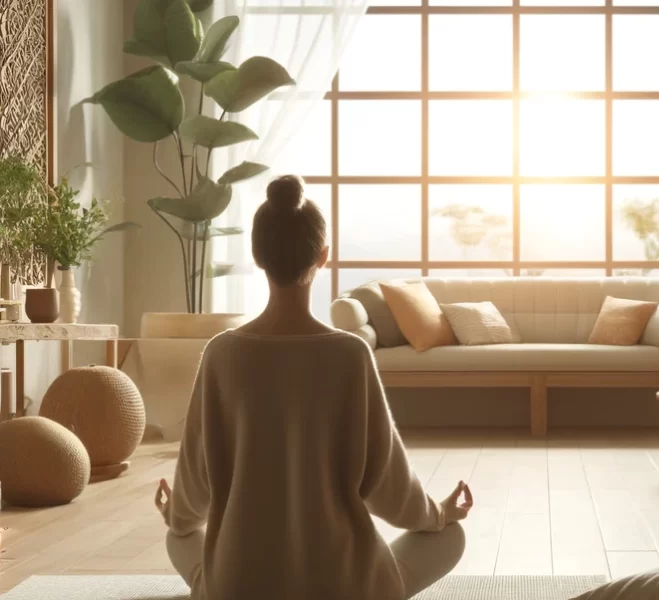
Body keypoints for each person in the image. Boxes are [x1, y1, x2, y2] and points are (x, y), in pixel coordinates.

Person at [154, 175, 472, 600]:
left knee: (178, 537)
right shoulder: (350, 354)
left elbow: (196, 489)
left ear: (257, 255)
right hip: (344, 588)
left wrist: (174, 514)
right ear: (323, 256)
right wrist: (439, 514)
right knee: (450, 538)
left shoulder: (221, 354)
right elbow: (391, 491)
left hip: (239, 588)